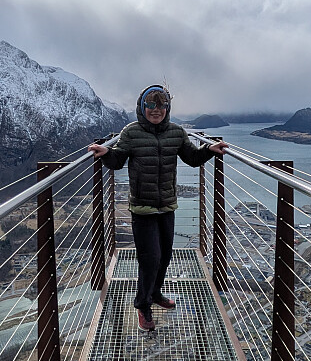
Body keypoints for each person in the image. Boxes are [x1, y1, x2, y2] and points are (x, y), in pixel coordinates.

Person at [89, 85, 228, 331]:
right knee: (150, 258)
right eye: (150, 105)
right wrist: (106, 152)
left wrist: (209, 150)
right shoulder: (130, 132)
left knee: (164, 256)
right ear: (142, 107)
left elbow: (192, 158)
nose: (156, 110)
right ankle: (143, 305)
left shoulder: (176, 132)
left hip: (167, 206)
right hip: (142, 207)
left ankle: (155, 293)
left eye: (161, 105)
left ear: (167, 107)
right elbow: (119, 160)